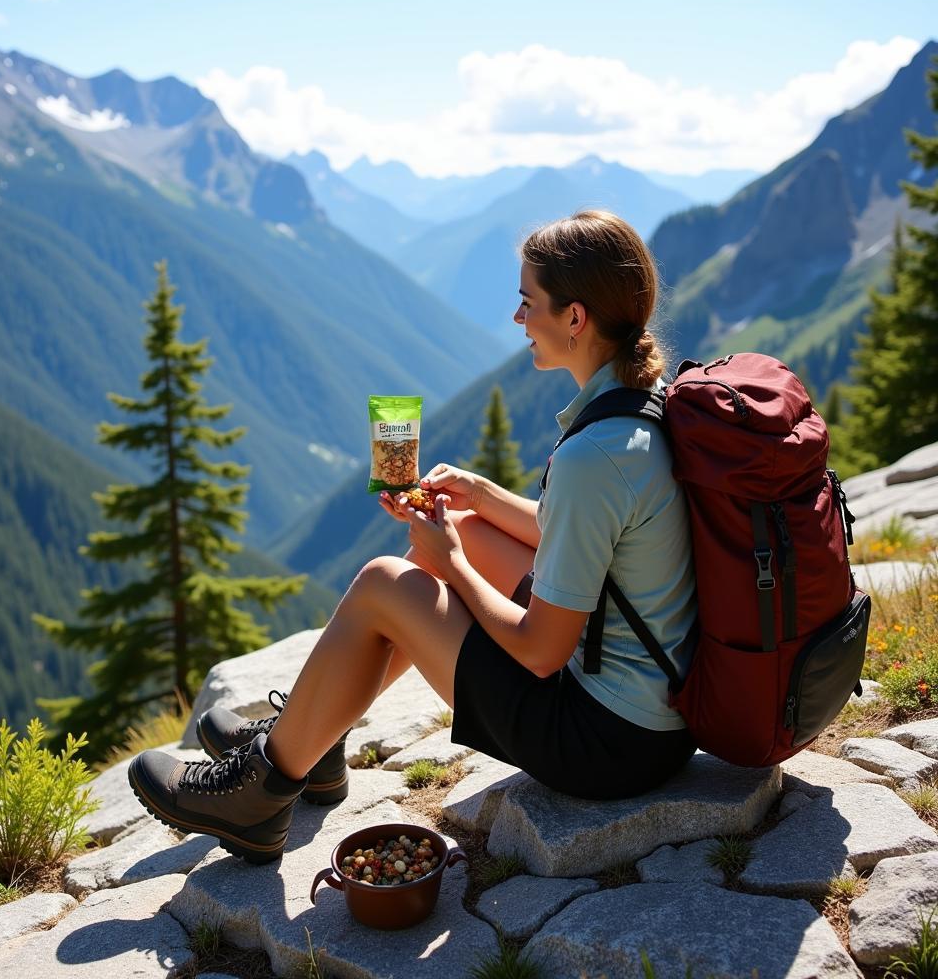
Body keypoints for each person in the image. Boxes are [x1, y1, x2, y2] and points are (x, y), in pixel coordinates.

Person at [128, 209, 698, 865]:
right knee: (470, 529)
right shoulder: (640, 402)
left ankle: (257, 796)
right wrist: (478, 499)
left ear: (575, 318)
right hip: (653, 716)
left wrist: (450, 567)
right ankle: (314, 735)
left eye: (526, 302)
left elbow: (542, 652)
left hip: (604, 744)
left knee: (383, 583)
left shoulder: (593, 456)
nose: (518, 320)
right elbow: (576, 537)